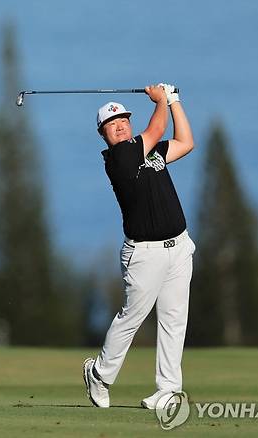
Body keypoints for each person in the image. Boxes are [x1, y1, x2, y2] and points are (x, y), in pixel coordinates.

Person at [83, 83, 196, 409]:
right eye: (111, 124)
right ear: (103, 134)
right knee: (132, 317)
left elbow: (186, 142)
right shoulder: (119, 158)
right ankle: (100, 374)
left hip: (178, 247)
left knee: (174, 320)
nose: (119, 126)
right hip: (144, 253)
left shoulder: (148, 150)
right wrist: (160, 99)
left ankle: (169, 390)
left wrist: (174, 101)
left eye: (123, 120)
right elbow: (157, 126)